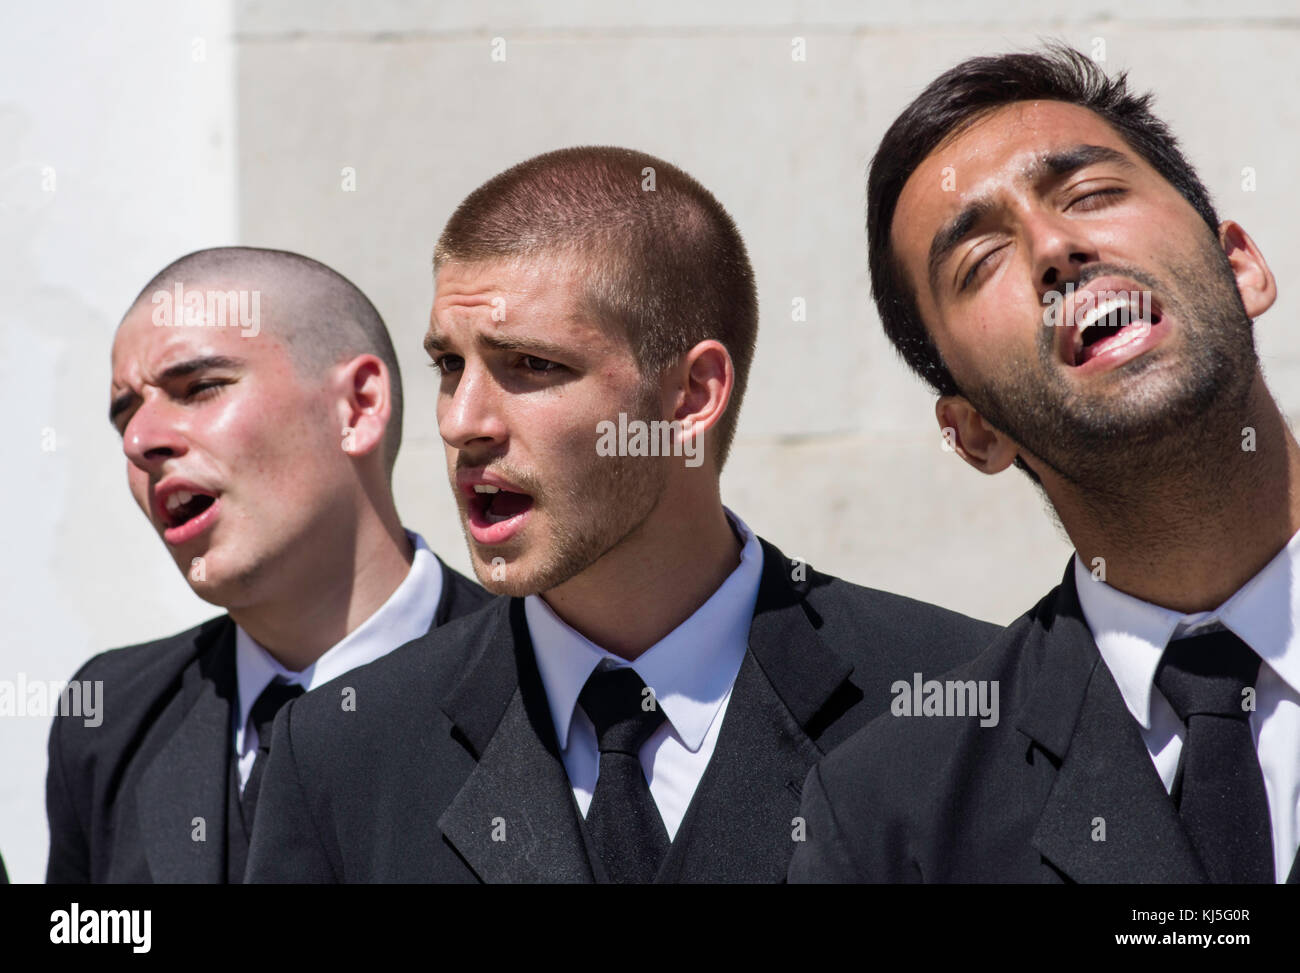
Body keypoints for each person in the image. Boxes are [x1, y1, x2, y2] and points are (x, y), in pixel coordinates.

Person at [245, 146, 998, 884]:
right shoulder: (344, 750)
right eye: (449, 365)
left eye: (532, 365)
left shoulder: (957, 702)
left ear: (692, 395)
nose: (461, 420)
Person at [789, 46, 1300, 884]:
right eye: (979, 260)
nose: (1055, 247)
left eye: (1093, 195)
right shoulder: (890, 822)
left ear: (1241, 266)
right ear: (974, 431)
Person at [45, 247, 490, 883]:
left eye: (199, 387)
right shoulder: (110, 717)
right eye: (126, 415)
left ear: (358, 405)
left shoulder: (544, 696)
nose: (140, 441)